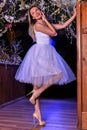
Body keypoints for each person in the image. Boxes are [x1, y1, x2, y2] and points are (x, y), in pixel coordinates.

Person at [15, 4, 76, 126]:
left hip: (46, 52)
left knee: (39, 84)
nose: (36, 13)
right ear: (32, 17)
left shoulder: (43, 23)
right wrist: (46, 20)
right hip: (39, 54)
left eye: (37, 10)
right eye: (33, 13)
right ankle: (38, 105)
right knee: (55, 76)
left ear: (40, 11)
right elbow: (54, 33)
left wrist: (74, 14)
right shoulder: (38, 25)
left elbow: (63, 25)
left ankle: (37, 106)